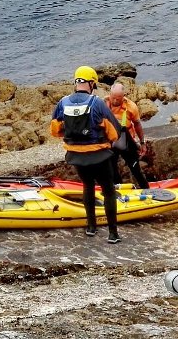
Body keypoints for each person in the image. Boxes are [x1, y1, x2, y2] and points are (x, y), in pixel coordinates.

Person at [50, 66, 121, 242]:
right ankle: (113, 234)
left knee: (87, 186)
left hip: (76, 156)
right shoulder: (97, 103)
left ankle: (91, 227)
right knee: (108, 191)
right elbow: (114, 132)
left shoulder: (63, 102)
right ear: (91, 83)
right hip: (99, 156)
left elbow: (55, 130)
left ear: (76, 82)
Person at [103, 81, 150, 189]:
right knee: (112, 169)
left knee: (135, 168)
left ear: (123, 97)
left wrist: (142, 143)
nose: (115, 101)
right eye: (113, 97)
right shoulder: (103, 103)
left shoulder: (131, 107)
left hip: (127, 141)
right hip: (110, 142)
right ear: (110, 94)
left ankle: (146, 189)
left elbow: (137, 124)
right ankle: (118, 190)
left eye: (118, 99)